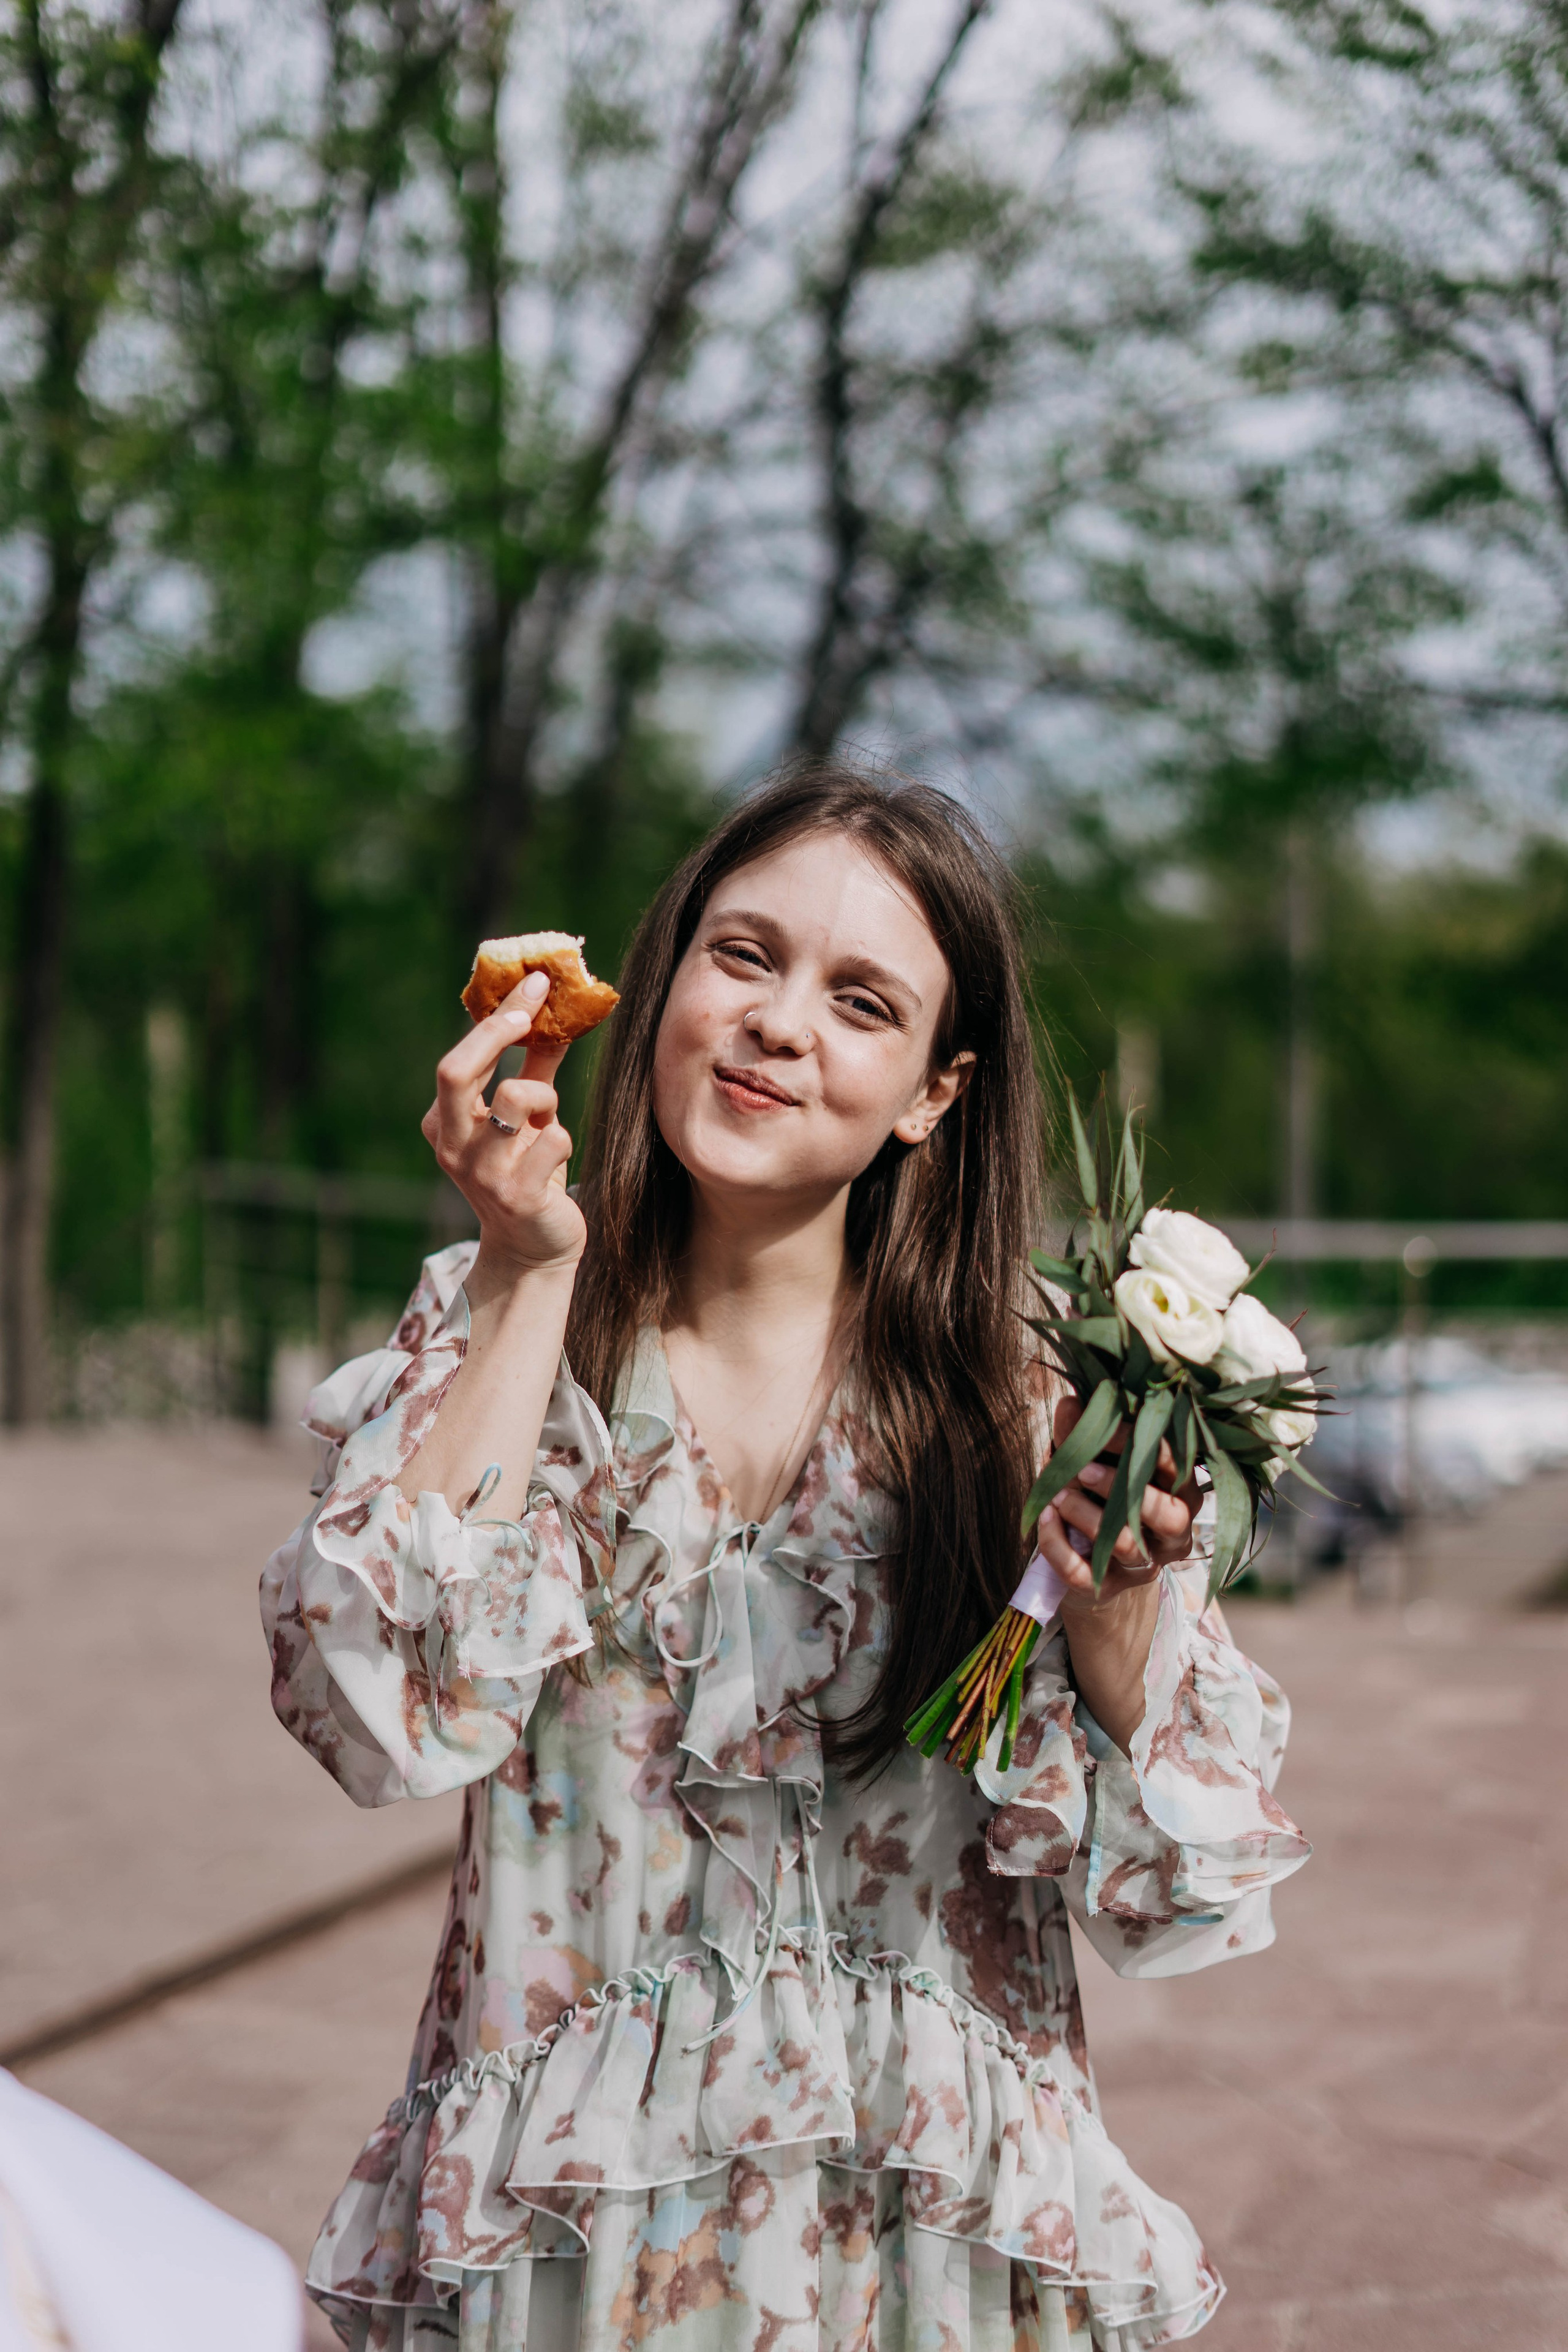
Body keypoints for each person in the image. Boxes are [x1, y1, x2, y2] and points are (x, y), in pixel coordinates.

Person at [262, 765, 1308, 2352]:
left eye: (861, 1001)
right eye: (743, 957)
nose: (777, 1024)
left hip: (924, 2236)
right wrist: (526, 1273)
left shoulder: (1026, 1407)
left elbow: (1186, 1890)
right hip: (578, 2239)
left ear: (934, 1093)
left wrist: (1113, 1598)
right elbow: (377, 1715)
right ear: (664, 980)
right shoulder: (501, 1330)